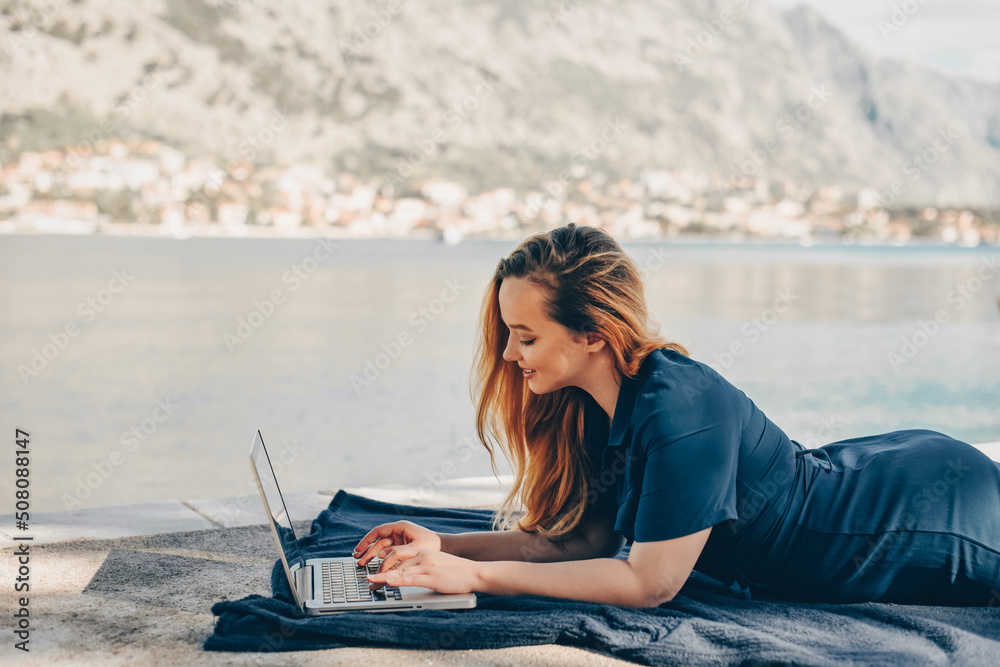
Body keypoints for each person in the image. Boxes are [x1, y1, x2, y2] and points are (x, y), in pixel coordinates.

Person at [357, 223, 1000, 607]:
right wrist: (444, 547)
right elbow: (585, 543)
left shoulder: (679, 405)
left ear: (593, 334)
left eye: (526, 336)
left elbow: (649, 583)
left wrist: (475, 577)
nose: (507, 352)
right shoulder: (596, 406)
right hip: (874, 474)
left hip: (924, 516)